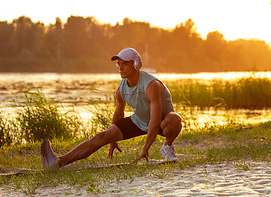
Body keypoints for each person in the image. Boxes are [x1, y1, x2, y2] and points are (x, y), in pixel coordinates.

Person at [41, 48, 182, 169]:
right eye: (118, 64)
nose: (120, 68)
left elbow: (155, 121)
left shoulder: (151, 85)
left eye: (124, 64)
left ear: (136, 64)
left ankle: (167, 147)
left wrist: (145, 150)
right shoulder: (121, 89)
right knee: (101, 136)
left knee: (174, 120)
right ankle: (58, 162)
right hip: (140, 120)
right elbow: (118, 114)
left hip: (162, 122)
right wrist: (112, 140)